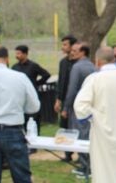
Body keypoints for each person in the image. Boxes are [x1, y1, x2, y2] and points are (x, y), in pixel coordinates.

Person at [73, 47, 116, 183]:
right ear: (114, 59)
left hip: (102, 134)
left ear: (97, 61)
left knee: (103, 170)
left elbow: (80, 106)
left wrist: (96, 117)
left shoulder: (94, 79)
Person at [0, 45, 40, 183]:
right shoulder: (20, 77)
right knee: (21, 176)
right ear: (7, 59)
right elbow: (34, 107)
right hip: (13, 130)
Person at [62, 42, 96, 178]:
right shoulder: (94, 66)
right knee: (88, 135)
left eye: (75, 50)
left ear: (83, 52)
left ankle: (85, 168)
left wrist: (65, 107)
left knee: (81, 136)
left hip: (78, 106)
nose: (72, 52)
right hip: (92, 106)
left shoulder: (77, 67)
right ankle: (91, 165)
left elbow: (72, 89)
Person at [12, 45, 50, 135]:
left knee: (33, 118)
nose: (17, 55)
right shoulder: (15, 67)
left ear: (25, 54)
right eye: (16, 53)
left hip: (31, 95)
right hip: (19, 96)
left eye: (19, 53)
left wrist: (36, 84)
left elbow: (46, 74)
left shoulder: (33, 66)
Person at [53, 34, 77, 162]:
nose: (63, 47)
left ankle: (82, 153)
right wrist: (58, 99)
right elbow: (61, 82)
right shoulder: (63, 62)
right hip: (64, 99)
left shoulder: (78, 63)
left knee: (76, 126)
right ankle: (67, 153)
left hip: (76, 100)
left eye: (65, 44)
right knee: (64, 125)